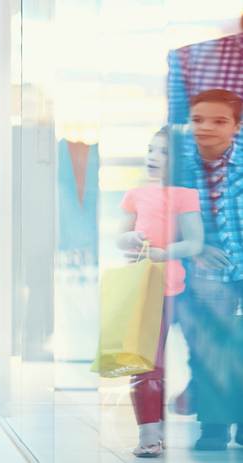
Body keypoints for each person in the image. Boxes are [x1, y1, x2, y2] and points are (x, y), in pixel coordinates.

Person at [116, 127, 203, 458]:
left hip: (179, 290)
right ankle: (149, 436)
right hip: (144, 289)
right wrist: (132, 241)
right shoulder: (136, 194)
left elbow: (194, 242)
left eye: (163, 152)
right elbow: (119, 236)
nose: (153, 156)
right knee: (146, 364)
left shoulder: (184, 195)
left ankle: (191, 411)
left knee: (198, 359)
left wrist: (162, 253)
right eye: (151, 149)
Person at [174, 89, 243, 451]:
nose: (206, 128)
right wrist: (197, 249)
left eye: (219, 121)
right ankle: (214, 427)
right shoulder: (180, 165)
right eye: (198, 120)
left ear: (236, 125)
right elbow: (162, 215)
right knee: (210, 350)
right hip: (206, 274)